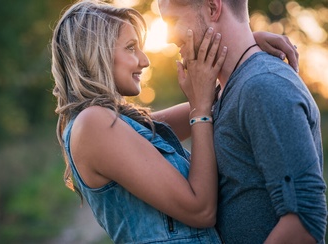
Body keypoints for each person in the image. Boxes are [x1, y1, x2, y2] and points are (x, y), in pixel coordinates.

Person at [51, 1, 305, 243]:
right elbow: (201, 210)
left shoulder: (121, 125)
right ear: (95, 53)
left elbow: (217, 101)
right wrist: (200, 111)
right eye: (130, 48)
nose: (144, 60)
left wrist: (244, 45)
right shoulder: (93, 124)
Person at [157, 0, 327, 243]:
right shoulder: (229, 90)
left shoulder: (263, 86)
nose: (167, 38)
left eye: (173, 21)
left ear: (213, 8)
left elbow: (305, 221)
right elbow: (140, 129)